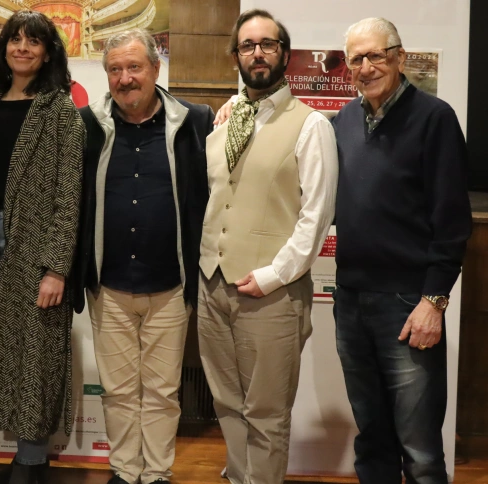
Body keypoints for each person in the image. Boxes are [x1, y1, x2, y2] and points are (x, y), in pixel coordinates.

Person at [198, 9, 337, 484]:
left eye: (267, 44)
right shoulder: (226, 122)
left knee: (267, 412)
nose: (256, 53)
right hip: (212, 287)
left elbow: (315, 218)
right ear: (236, 54)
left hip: (272, 294)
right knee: (227, 404)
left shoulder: (311, 126)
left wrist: (274, 276)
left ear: (284, 53)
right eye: (247, 45)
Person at [332, 18, 471, 483]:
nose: (366, 67)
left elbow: (452, 222)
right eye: (356, 58)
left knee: (420, 447)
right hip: (349, 302)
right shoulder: (343, 122)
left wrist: (433, 301)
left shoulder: (435, 118)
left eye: (376, 55)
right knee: (371, 439)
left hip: (408, 305)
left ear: (399, 56)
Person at [73, 28, 214, 484]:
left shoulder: (196, 121)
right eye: (115, 69)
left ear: (156, 68)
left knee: (162, 391)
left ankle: (155, 475)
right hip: (108, 284)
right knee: (116, 390)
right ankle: (123, 470)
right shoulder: (86, 124)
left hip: (171, 285)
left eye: (135, 67)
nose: (125, 78)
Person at [0, 9, 85, 484]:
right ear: (3, 48)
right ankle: (17, 455)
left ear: (49, 51)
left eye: (34, 41)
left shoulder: (61, 111)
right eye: (15, 39)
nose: (23, 48)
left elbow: (68, 196)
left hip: (36, 250)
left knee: (37, 354)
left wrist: (56, 268)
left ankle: (32, 461)